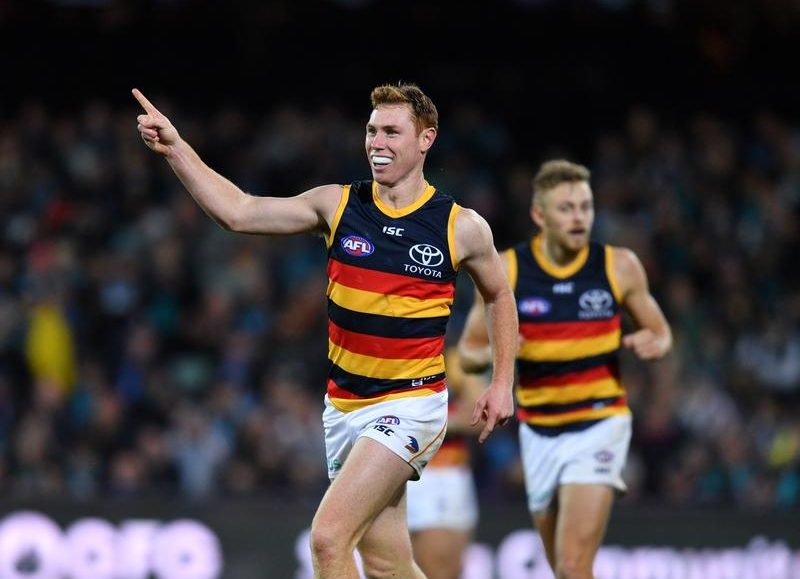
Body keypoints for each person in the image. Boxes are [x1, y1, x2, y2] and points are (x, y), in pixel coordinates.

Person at [133, 83, 518, 579]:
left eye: (392, 132)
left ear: (426, 139)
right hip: (344, 408)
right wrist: (176, 149)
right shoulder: (336, 205)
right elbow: (239, 211)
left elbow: (499, 294)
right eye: (372, 130)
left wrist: (502, 382)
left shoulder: (459, 226)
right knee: (386, 565)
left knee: (328, 539)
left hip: (410, 403)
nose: (377, 142)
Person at [458, 159, 672, 579]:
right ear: (539, 215)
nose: (579, 217)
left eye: (586, 207)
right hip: (538, 431)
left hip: (599, 422)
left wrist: (655, 342)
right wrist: (502, 352)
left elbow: (661, 331)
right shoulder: (509, 270)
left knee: (573, 563)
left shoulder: (618, 266)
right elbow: (468, 351)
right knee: (564, 568)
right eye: (567, 208)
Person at [406, 346, 484, 579]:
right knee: (426, 570)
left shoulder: (452, 358)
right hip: (415, 473)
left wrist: (429, 425)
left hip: (448, 473)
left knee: (448, 570)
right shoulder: (397, 354)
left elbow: (481, 415)